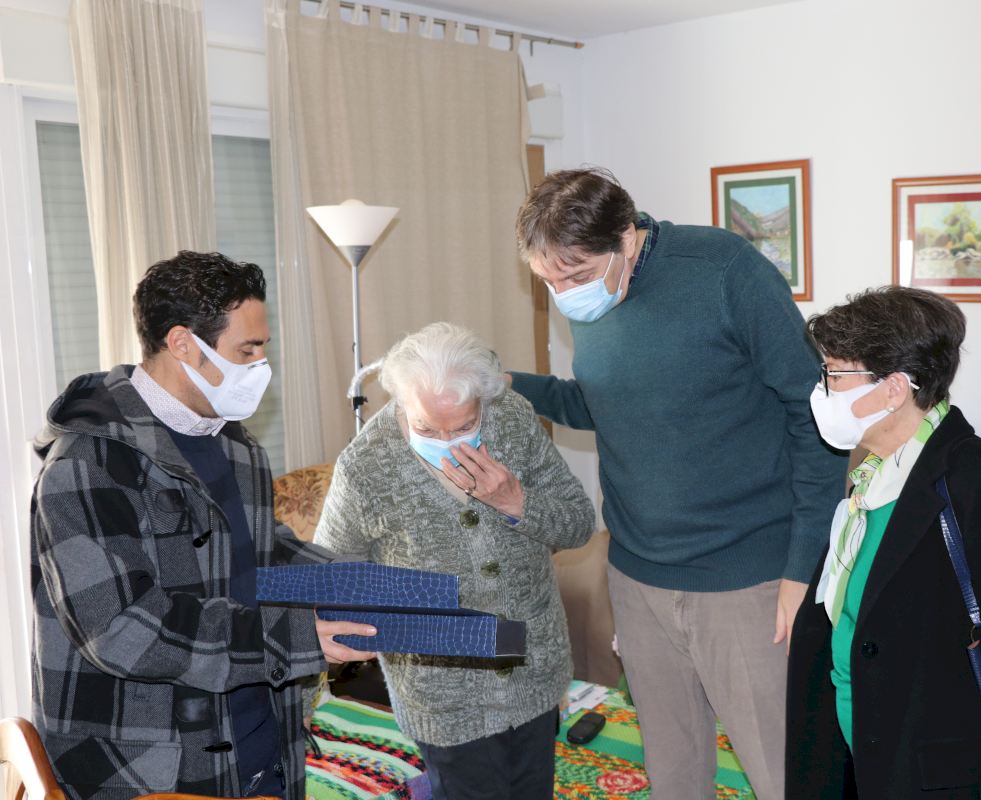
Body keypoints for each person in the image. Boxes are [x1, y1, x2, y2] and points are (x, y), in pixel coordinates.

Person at [509, 167, 846, 800]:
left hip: (748, 579)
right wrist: (507, 386)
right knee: (674, 775)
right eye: (548, 281)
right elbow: (605, 402)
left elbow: (816, 415)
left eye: (576, 277)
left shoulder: (724, 271)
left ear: (625, 239)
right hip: (637, 576)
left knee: (784, 774)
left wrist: (804, 568)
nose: (565, 294)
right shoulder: (594, 294)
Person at [30, 251, 375, 800]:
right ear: (183, 344)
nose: (262, 365)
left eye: (263, 348)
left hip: (260, 745)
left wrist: (363, 581)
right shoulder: (88, 463)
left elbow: (259, 551)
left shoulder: (235, 445)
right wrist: (296, 637)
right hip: (150, 766)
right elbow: (123, 631)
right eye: (248, 350)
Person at [785, 286, 981, 798]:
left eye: (834, 374)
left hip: (934, 772)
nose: (822, 389)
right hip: (855, 753)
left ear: (894, 389)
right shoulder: (872, 474)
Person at [312, 322, 594, 800]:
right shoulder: (366, 466)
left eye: (464, 427)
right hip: (444, 700)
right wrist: (301, 697)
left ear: (484, 400)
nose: (447, 441)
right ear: (400, 403)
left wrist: (517, 504)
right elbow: (329, 583)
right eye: (426, 428)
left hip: (534, 671)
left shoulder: (512, 418)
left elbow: (579, 523)